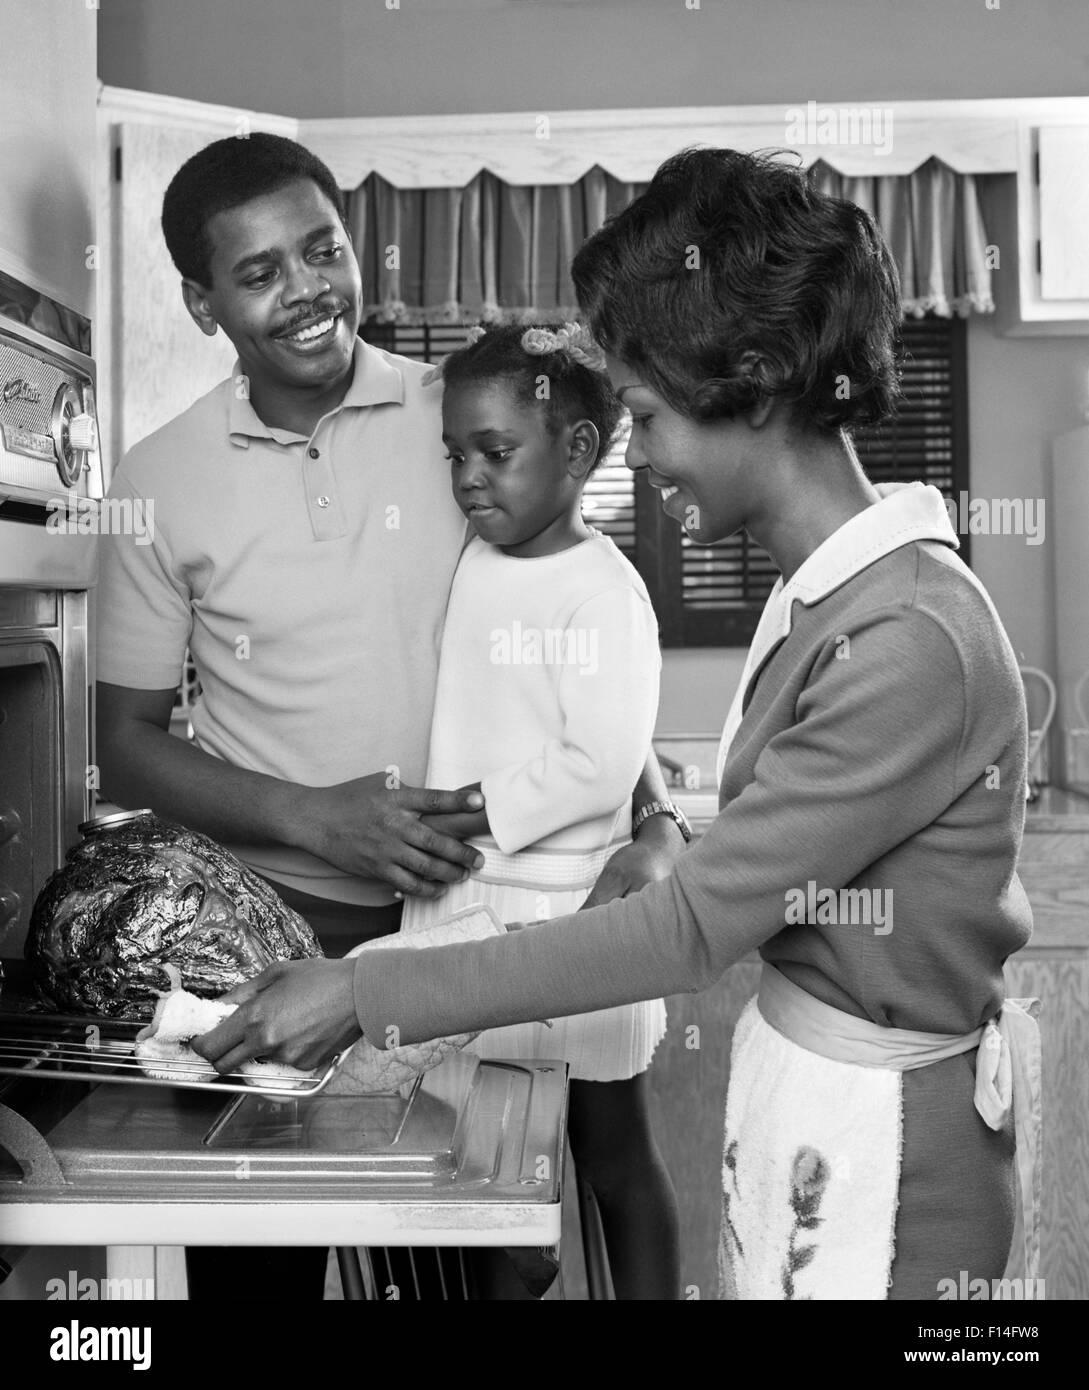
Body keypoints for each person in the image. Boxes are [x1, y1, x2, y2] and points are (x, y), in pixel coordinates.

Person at [196, 147, 1039, 1300]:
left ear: (752, 377)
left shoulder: (908, 638)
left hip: (901, 1185)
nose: (634, 455)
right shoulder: (832, 597)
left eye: (644, 415)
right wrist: (657, 815)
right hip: (825, 1128)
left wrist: (364, 990)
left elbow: (688, 931)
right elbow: (772, 835)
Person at [95, 133, 688, 1299]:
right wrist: (316, 818)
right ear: (201, 304)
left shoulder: (458, 420)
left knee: (471, 1246)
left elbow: (582, 634)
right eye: (259, 272)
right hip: (272, 932)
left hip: (470, 922)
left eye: (322, 248)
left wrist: (656, 817)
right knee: (257, 1266)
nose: (308, 288)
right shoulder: (153, 484)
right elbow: (120, 740)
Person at [399, 322, 680, 1299]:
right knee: (491, 1187)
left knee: (614, 1164)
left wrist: (459, 813)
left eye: (495, 452)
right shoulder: (481, 559)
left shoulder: (605, 592)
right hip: (472, 915)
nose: (470, 477)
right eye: (456, 456)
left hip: (576, 919)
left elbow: (601, 765)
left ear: (578, 454)